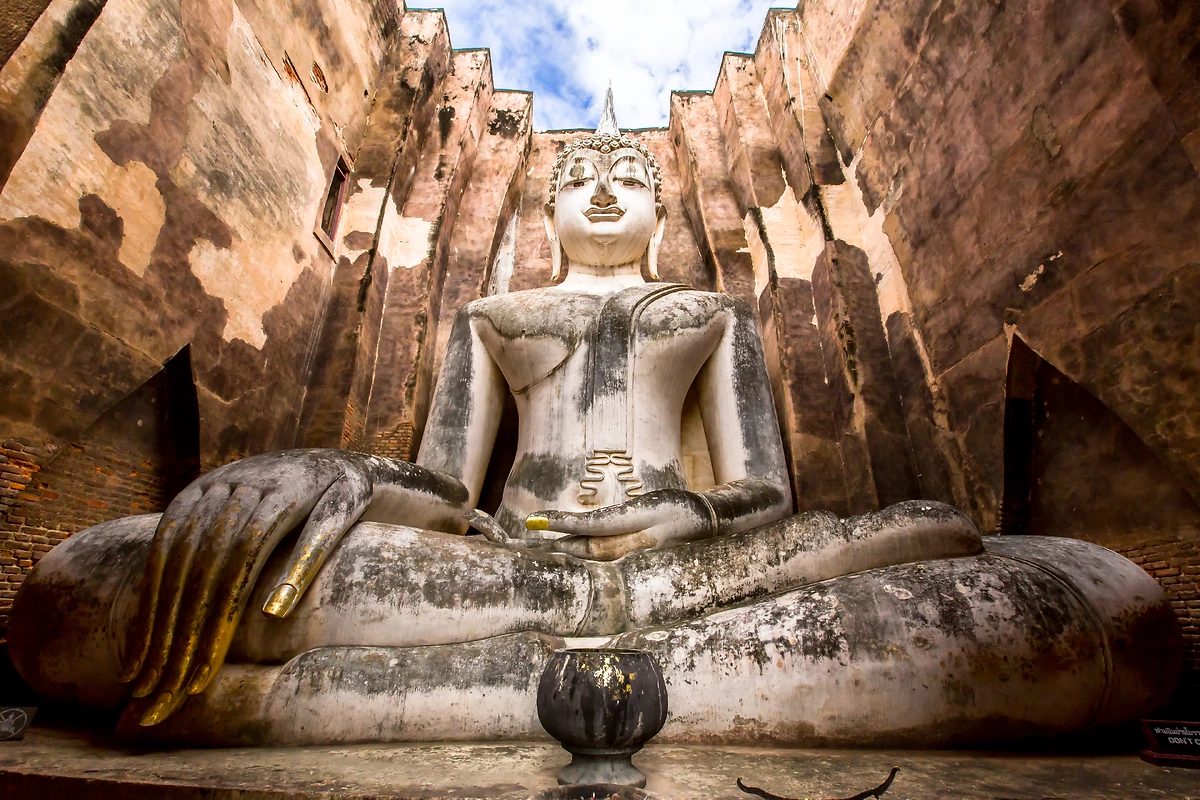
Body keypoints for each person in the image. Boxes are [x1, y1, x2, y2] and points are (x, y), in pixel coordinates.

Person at [9, 94, 1179, 746]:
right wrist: (334, 473)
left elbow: (763, 489)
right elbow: (448, 491)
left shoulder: (711, 309)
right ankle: (642, 679)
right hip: (515, 567)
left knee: (1054, 586)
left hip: (702, 569)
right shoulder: (494, 310)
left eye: (630, 168)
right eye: (583, 170)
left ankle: (363, 700)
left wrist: (683, 508)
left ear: (661, 200)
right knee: (101, 576)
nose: (607, 182)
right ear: (552, 201)